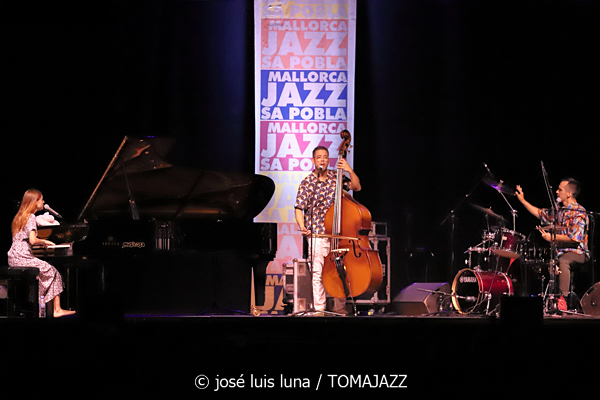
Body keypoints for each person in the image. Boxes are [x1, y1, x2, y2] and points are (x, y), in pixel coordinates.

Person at [294, 142, 361, 315]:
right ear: (313, 161)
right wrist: (302, 227)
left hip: (338, 233)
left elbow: (356, 187)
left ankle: (339, 306)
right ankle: (319, 309)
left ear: (329, 160)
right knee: (318, 272)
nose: (322, 160)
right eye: (319, 158)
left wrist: (349, 170)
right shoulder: (307, 182)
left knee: (339, 270)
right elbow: (299, 208)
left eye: (325, 157)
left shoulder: (336, 177)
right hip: (317, 234)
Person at [515, 179, 589, 309]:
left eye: (560, 189)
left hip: (578, 252)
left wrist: (552, 237)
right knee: (535, 262)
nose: (556, 191)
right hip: (559, 253)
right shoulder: (558, 212)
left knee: (563, 261)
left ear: (569, 194)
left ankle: (563, 300)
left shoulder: (579, 212)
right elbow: (539, 213)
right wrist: (522, 200)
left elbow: (576, 238)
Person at [7, 189, 76, 317]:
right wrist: (44, 241)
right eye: (41, 199)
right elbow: (33, 240)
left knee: (41, 275)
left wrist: (39, 245)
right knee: (53, 272)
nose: (43, 202)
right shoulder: (31, 217)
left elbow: (19, 241)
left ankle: (39, 307)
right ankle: (55, 309)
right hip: (23, 257)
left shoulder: (18, 217)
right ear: (34, 202)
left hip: (13, 257)